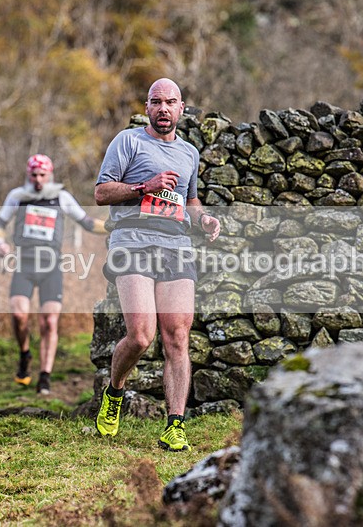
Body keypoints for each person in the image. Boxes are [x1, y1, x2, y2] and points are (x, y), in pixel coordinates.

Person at [93, 78, 221, 451]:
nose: (163, 108)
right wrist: (142, 188)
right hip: (132, 240)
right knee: (141, 335)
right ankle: (114, 394)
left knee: (178, 336)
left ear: (182, 109)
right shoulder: (128, 141)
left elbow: (190, 200)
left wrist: (204, 220)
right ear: (147, 107)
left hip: (176, 243)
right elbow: (102, 193)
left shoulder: (189, 153)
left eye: (171, 102)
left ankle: (174, 425)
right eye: (156, 102)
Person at [0, 154, 106, 394]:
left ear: (50, 175)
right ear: (28, 175)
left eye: (42, 175)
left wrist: (115, 225)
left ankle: (45, 376)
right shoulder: (17, 196)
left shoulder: (61, 197)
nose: (38, 179)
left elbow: (87, 223)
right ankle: (25, 354)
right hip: (23, 265)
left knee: (49, 321)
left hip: (51, 267)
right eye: (33, 175)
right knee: (19, 315)